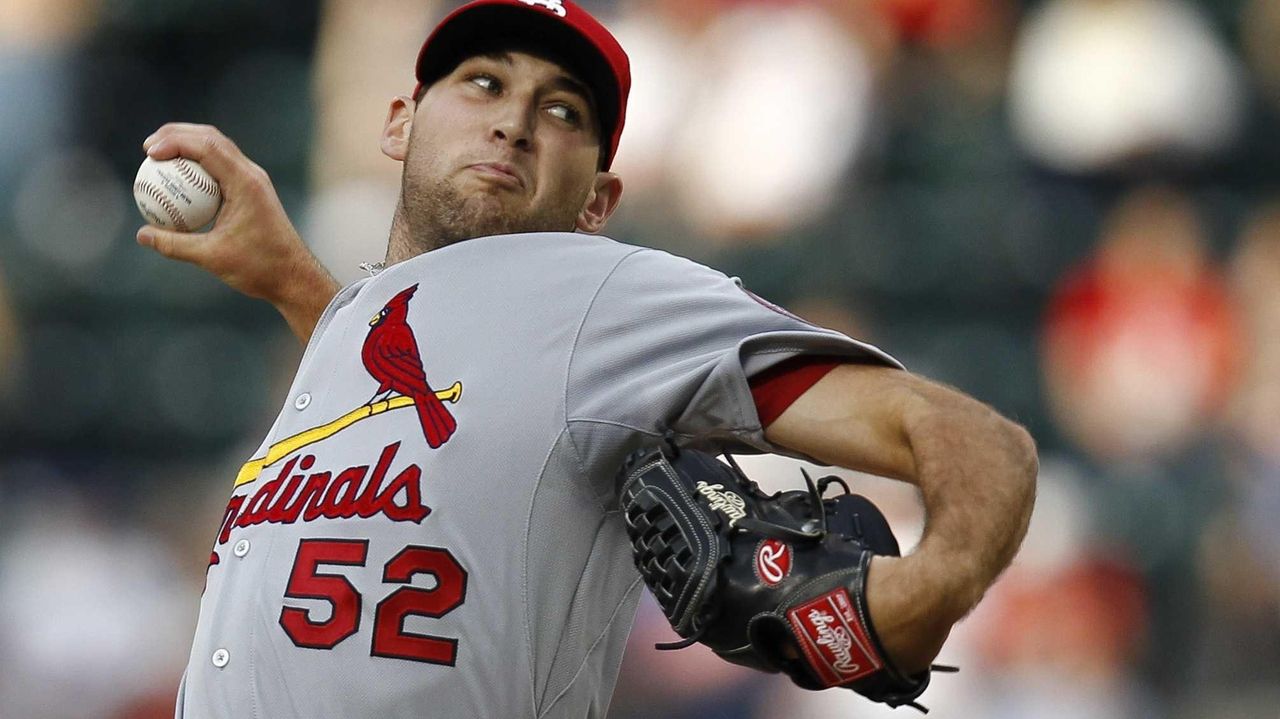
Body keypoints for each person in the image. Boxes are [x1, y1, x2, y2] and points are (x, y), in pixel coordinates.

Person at [137, 1, 1038, 717]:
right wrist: (296, 283)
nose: (513, 123)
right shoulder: (362, 329)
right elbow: (434, 412)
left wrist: (928, 590)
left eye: (562, 110)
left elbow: (975, 440)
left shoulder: (608, 297)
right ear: (398, 124)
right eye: (483, 83)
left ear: (599, 200)